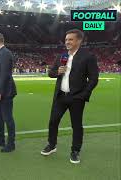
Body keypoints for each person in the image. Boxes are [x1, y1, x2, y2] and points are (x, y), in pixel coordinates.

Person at [41, 29, 99, 164]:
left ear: (79, 41)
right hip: (60, 96)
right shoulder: (61, 56)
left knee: (76, 125)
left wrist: (83, 95)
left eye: (70, 39)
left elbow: (94, 79)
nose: (67, 42)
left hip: (76, 98)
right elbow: (50, 73)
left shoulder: (88, 56)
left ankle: (75, 151)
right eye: (66, 39)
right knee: (53, 121)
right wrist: (57, 72)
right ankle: (52, 145)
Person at [0, 33, 17, 153]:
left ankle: (11, 143)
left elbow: (5, 74)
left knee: (7, 117)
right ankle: (1, 139)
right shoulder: (0, 53)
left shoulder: (5, 53)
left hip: (5, 91)